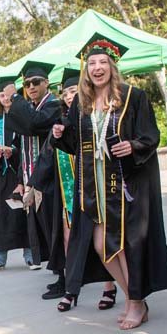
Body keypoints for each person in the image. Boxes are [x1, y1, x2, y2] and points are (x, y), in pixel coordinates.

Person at [53, 36, 167, 328]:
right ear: (86, 70)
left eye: (103, 62)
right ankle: (135, 299)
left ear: (112, 66)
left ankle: (136, 302)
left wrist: (133, 145)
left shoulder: (133, 96)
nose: (97, 68)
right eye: (92, 63)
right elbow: (76, 142)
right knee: (100, 246)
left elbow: (151, 136)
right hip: (94, 185)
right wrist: (60, 134)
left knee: (123, 246)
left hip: (125, 184)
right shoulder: (81, 103)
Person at [54, 67, 118, 312]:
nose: (69, 96)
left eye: (73, 90)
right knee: (72, 241)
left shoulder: (93, 114)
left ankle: (109, 287)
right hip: (69, 194)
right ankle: (72, 290)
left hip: (97, 188)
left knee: (101, 241)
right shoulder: (63, 120)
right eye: (65, 93)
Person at [5, 60, 66, 296]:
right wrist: (22, 180)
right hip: (34, 178)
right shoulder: (33, 107)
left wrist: (16, 97)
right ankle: (60, 273)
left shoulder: (53, 106)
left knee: (55, 229)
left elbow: (33, 124)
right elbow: (24, 142)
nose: (31, 87)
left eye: (36, 82)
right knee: (46, 228)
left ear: (46, 83)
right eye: (27, 83)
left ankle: (65, 278)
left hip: (52, 178)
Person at [0, 75, 32, 273]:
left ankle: (30, 256)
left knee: (25, 215)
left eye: (8, 94)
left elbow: (29, 144)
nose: (5, 98)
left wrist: (14, 152)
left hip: (22, 173)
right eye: (1, 95)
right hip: (4, 175)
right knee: (2, 218)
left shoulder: (24, 117)